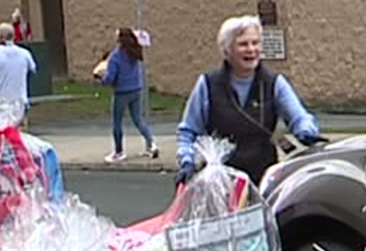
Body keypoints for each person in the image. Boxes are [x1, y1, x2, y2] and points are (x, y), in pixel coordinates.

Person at [176, 15, 323, 185]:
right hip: (221, 179)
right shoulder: (208, 84)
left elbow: (299, 116)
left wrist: (306, 131)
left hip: (263, 175)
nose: (251, 49)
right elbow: (188, 131)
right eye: (243, 44)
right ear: (227, 49)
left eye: (255, 43)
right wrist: (187, 161)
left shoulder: (274, 82)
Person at [95, 28, 158, 163]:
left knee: (117, 122)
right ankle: (151, 144)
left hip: (121, 92)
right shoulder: (134, 52)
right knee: (138, 119)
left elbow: (110, 78)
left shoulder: (115, 57)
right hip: (136, 89)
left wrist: (100, 80)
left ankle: (119, 152)